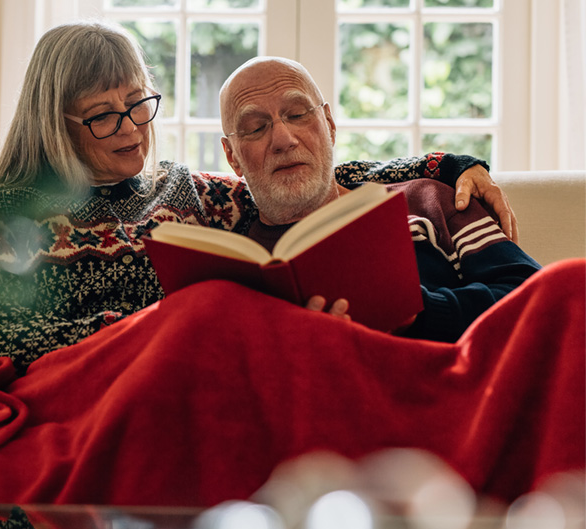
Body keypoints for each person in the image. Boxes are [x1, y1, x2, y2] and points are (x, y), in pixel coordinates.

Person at [0, 20, 516, 405]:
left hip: (189, 392)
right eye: (103, 115)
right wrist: (156, 330)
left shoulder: (190, 194)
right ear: (55, 125)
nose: (131, 130)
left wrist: (448, 163)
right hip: (90, 393)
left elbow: (300, 176)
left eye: (138, 105)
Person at [218, 56, 541, 341]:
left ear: (329, 125)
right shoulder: (239, 267)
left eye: (298, 114)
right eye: (255, 128)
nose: (283, 140)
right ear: (233, 156)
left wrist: (422, 314)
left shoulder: (430, 201)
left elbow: (535, 297)